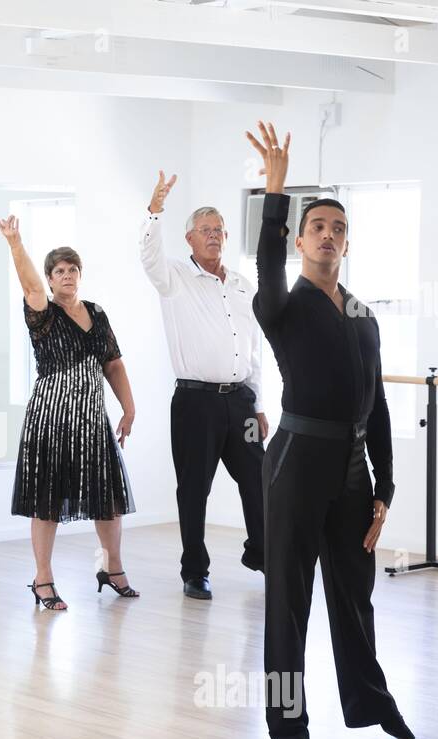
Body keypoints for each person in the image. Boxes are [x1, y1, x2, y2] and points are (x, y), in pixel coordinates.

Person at [246, 121, 413, 739]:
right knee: (288, 601)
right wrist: (276, 189)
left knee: (354, 594)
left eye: (337, 228)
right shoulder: (280, 305)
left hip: (351, 470)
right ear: (299, 240)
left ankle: (371, 702)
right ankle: (289, 730)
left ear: (347, 242)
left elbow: (378, 402)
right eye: (317, 226)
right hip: (293, 464)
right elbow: (263, 262)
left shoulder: (364, 315)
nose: (328, 235)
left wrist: (384, 488)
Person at [0, 215, 137, 610]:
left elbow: (114, 364)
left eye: (73, 269)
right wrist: (15, 243)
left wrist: (128, 408)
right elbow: (28, 284)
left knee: (107, 498)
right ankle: (43, 578)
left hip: (92, 421)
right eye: (60, 271)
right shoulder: (43, 313)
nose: (68, 275)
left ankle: (112, 568)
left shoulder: (97, 313)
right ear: (51, 279)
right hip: (52, 420)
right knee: (48, 501)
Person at [140, 171, 267, 600]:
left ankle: (262, 552)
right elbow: (148, 255)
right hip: (196, 403)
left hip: (242, 402)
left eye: (219, 231)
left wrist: (260, 403)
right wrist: (154, 211)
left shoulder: (241, 285)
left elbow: (254, 349)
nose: (214, 237)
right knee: (194, 490)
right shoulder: (173, 277)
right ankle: (195, 570)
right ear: (190, 239)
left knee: (259, 480)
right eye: (205, 231)